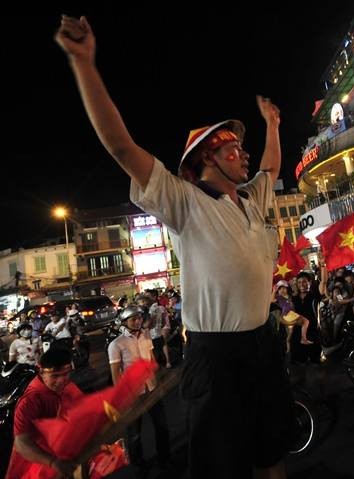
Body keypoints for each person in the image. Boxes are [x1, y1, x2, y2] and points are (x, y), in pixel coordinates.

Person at [56, 16, 292, 479]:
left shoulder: (250, 199)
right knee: (222, 464)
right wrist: (84, 63)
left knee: (271, 452)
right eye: (232, 150)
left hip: (263, 345)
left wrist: (273, 125)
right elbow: (121, 148)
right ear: (207, 157)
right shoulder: (184, 202)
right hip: (215, 356)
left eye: (243, 150)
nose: (243, 155)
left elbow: (270, 163)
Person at [108, 305, 170, 471]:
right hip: (132, 394)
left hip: (151, 388)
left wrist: (159, 383)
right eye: (133, 319)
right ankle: (139, 465)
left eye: (139, 318)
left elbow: (152, 361)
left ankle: (165, 458)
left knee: (162, 426)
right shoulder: (116, 344)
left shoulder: (146, 336)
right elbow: (115, 374)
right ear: (124, 322)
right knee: (134, 434)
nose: (137, 322)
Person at [6, 348, 82, 479]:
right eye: (55, 376)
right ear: (41, 372)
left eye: (66, 374)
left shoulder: (68, 386)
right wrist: (53, 462)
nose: (61, 381)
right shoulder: (30, 401)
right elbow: (21, 443)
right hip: (38, 466)